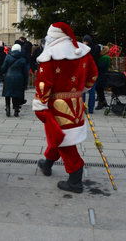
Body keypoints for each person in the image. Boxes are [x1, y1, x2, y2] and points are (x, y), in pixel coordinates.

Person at [34, 22, 98, 193]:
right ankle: (47, 163)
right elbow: (93, 75)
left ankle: (75, 178)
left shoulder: (50, 55)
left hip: (57, 105)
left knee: (63, 139)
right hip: (76, 103)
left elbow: (43, 84)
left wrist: (40, 104)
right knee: (61, 135)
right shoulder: (83, 52)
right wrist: (81, 90)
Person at [1, 43, 27, 117]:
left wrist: (3, 72)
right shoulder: (23, 59)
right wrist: (25, 82)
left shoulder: (8, 57)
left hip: (8, 77)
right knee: (17, 94)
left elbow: (3, 68)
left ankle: (8, 108)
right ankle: (16, 109)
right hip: (19, 77)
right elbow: (25, 72)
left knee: (8, 94)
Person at [82, 35, 100, 113]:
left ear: (85, 41)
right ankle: (91, 109)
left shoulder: (84, 49)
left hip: (85, 72)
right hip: (94, 72)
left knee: (83, 91)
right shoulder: (96, 48)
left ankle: (82, 107)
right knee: (92, 91)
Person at [95, 45, 111, 110]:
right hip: (101, 75)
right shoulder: (102, 57)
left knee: (99, 88)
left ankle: (101, 102)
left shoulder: (105, 58)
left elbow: (101, 66)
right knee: (100, 89)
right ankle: (103, 101)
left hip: (102, 75)